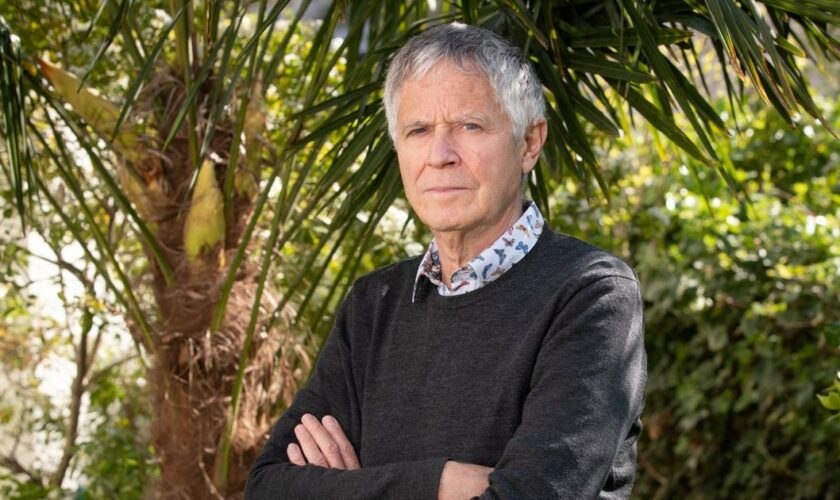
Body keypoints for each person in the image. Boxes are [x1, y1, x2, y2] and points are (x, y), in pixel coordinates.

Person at [246, 22, 646, 499]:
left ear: (529, 143)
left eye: (469, 126)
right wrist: (440, 482)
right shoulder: (375, 304)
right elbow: (270, 486)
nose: (439, 155)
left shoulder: (589, 293)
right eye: (418, 130)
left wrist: (352, 489)